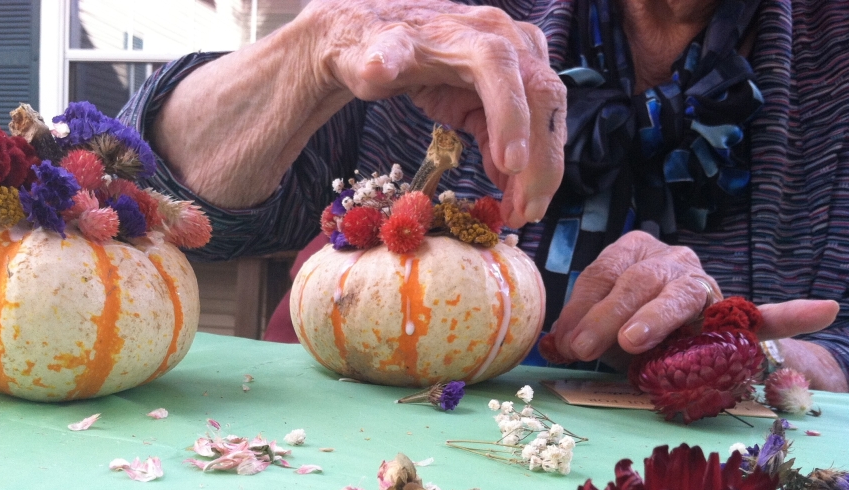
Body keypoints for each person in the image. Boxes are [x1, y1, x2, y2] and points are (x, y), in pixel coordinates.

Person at [118, 0, 849, 392]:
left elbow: (834, 344)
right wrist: (314, 48)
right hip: (387, 475)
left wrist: (767, 358)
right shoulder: (446, 12)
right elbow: (156, 200)